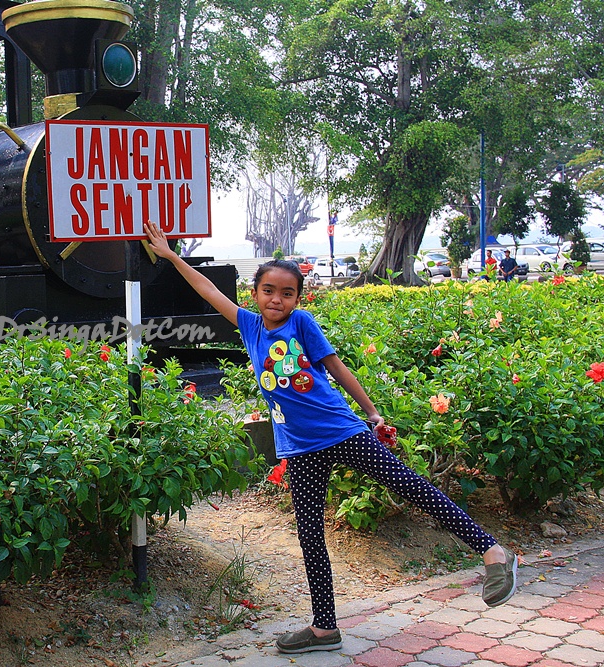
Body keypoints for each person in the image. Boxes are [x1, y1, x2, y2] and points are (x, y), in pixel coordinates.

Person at [143, 220, 518, 654]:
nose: (277, 299)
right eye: (268, 291)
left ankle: (493, 552)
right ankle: (324, 628)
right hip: (300, 448)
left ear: (297, 298)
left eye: (287, 293)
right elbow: (208, 289)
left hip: (341, 431)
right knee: (310, 535)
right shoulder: (249, 326)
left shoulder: (301, 323)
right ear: (255, 293)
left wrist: (372, 412)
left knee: (411, 486)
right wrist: (170, 255)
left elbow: (337, 368)